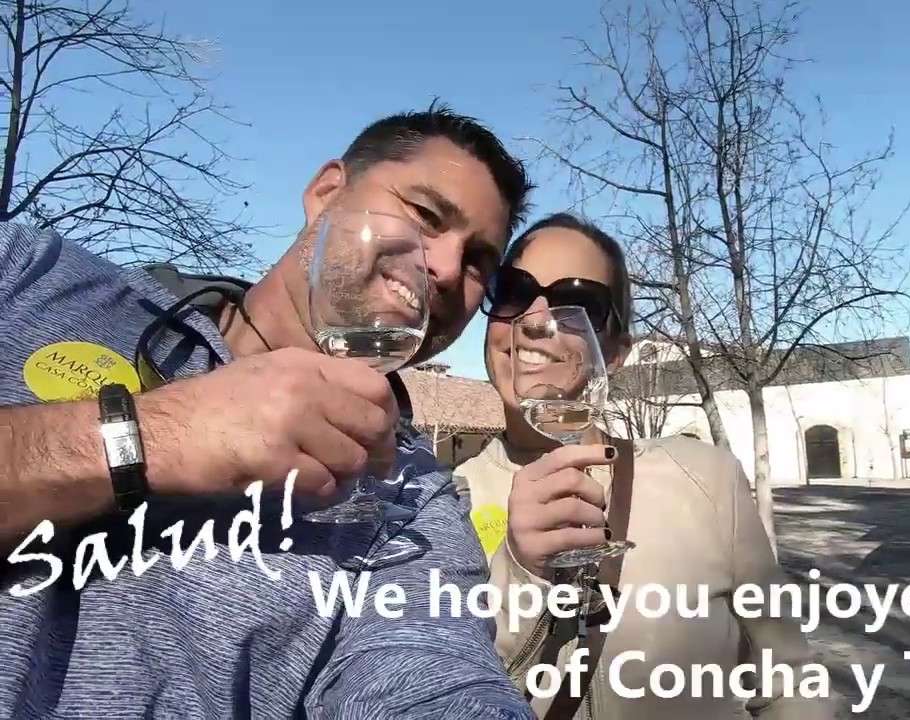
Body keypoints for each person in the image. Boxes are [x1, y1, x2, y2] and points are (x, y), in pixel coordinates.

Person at [0, 105, 539, 718]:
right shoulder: (31, 274)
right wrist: (155, 435)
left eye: (477, 262)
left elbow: (437, 673)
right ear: (327, 193)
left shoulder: (411, 497)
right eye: (424, 215)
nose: (444, 268)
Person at [455, 213, 830, 719]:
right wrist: (520, 572)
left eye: (580, 302)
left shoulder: (704, 478)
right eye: (514, 291)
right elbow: (444, 696)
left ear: (614, 353)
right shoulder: (441, 507)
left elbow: (791, 681)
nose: (536, 319)